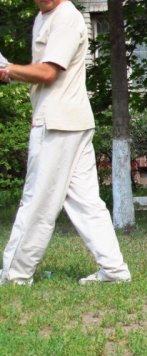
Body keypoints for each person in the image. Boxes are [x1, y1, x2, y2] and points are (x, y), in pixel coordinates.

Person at [0, 0, 131, 286]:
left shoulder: (66, 18)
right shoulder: (43, 16)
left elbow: (48, 72)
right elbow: (39, 70)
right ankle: (114, 271)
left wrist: (9, 68)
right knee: (86, 203)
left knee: (37, 200)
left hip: (57, 123)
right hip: (70, 121)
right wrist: (9, 72)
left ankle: (14, 274)